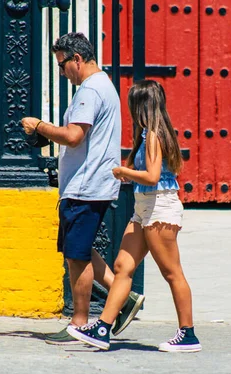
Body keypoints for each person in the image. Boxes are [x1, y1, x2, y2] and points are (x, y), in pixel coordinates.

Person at [21, 32, 144, 345]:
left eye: (63, 66)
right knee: (80, 248)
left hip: (86, 186)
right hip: (90, 184)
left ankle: (79, 322)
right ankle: (123, 295)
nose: (62, 73)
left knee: (77, 256)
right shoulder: (103, 86)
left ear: (77, 59)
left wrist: (39, 127)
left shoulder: (90, 90)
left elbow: (74, 136)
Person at [66, 80, 202, 352]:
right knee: (122, 267)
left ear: (140, 106)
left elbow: (152, 177)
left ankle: (188, 334)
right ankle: (103, 327)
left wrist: (123, 172)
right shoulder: (148, 135)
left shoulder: (152, 135)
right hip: (144, 208)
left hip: (159, 208)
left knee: (172, 272)